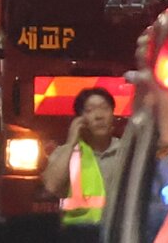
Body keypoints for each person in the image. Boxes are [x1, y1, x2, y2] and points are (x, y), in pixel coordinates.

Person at [41, 86, 123, 243]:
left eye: (104, 108)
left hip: (118, 234)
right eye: (90, 110)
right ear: (80, 119)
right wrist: (71, 142)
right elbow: (52, 186)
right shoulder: (67, 153)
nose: (99, 116)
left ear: (113, 114)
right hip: (77, 236)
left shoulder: (126, 152)